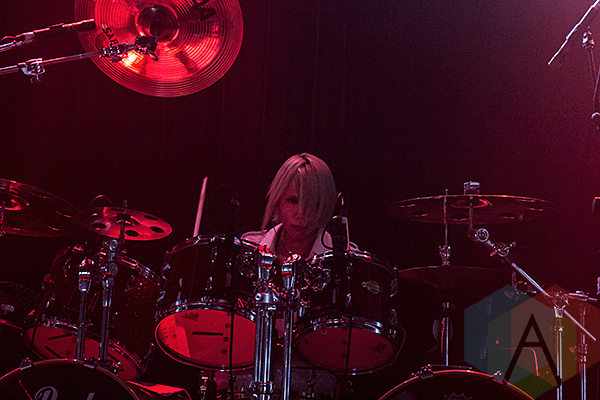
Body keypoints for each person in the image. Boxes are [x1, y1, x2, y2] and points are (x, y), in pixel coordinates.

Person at [242, 153, 352, 261]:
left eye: (310, 203)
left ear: (325, 204)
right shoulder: (248, 249)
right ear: (277, 199)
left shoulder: (348, 259)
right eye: (292, 201)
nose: (301, 214)